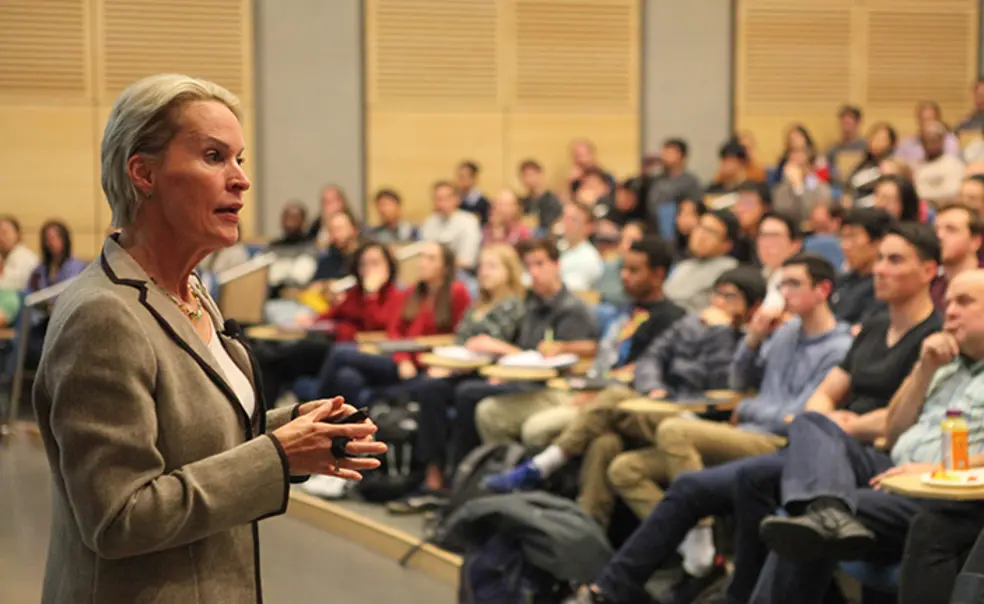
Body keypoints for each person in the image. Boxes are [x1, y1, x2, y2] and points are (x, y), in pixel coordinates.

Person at [32, 74, 387, 604]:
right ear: (143, 173)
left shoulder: (188, 291)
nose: (241, 179)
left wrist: (291, 431)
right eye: (215, 156)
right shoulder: (102, 316)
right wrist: (276, 457)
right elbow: (117, 518)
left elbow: (183, 440)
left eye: (241, 159)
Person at [565, 223, 942, 604]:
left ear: (929, 270)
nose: (878, 269)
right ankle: (612, 587)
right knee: (625, 456)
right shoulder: (868, 329)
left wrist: (839, 423)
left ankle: (732, 586)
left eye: (894, 260)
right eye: (879, 258)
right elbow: (812, 397)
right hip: (815, 443)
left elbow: (908, 417)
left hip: (850, 452)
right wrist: (755, 339)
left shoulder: (931, 338)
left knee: (704, 452)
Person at [746, 271, 984, 604]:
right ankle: (828, 509)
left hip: (943, 489)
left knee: (801, 527)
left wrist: (940, 468)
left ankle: (826, 513)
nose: (950, 311)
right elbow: (895, 429)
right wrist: (923, 369)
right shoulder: (945, 363)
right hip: (892, 467)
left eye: (964, 302)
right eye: (948, 303)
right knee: (812, 422)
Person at [486, 267, 766, 529]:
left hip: (698, 418)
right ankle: (588, 531)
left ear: (753, 306)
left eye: (730, 297)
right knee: (603, 442)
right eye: (717, 294)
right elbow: (651, 358)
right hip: (662, 405)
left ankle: (544, 464)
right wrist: (655, 388)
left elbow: (724, 383)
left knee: (614, 396)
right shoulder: (691, 323)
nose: (718, 302)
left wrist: (721, 331)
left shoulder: (747, 340)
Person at [644, 253, 854, 602]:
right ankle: (687, 552)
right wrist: (754, 336)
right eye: (781, 284)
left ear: (823, 290)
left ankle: (701, 541)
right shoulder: (784, 333)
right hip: (746, 433)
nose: (785, 293)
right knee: (626, 467)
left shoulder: (839, 346)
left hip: (775, 443)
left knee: (673, 432)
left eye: (794, 284)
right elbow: (738, 379)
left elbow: (799, 418)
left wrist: (747, 407)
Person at [475, 236, 686, 453]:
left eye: (633, 271)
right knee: (489, 412)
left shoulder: (672, 318)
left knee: (535, 429)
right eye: (623, 268)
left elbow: (649, 371)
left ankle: (530, 476)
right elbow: (600, 351)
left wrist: (599, 389)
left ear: (658, 274)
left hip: (613, 399)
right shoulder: (626, 311)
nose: (623, 276)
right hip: (580, 385)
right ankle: (499, 473)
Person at [313, 241, 470, 405]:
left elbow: (459, 334)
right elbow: (395, 331)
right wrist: (402, 359)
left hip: (425, 361)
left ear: (445, 267)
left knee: (340, 352)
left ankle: (314, 409)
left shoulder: (456, 292)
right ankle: (346, 420)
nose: (423, 263)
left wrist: (443, 365)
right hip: (400, 358)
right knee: (347, 376)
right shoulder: (412, 292)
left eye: (430, 259)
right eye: (422, 257)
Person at [256, 241, 402, 405]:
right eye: (363, 264)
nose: (368, 269)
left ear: (389, 266)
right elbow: (330, 315)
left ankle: (314, 407)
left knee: (343, 375)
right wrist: (311, 320)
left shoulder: (396, 296)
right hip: (333, 345)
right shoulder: (355, 293)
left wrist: (371, 296)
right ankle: (265, 417)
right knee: (271, 358)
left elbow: (376, 327)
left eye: (375, 263)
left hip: (358, 351)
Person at [664, 209, 740, 313]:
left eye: (711, 232)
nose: (701, 235)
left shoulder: (729, 271)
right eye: (700, 227)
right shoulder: (683, 266)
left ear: (726, 245)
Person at [831, 207, 893, 328]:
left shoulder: (884, 286)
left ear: (878, 241)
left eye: (852, 237)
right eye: (842, 238)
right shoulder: (841, 281)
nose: (845, 246)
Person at [419, 180, 482, 272]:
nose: (441, 203)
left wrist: (439, 264)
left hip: (461, 273)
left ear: (457, 199)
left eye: (445, 199)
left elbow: (467, 261)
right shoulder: (430, 222)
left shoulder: (469, 222)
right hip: (433, 272)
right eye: (437, 199)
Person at [930, 203, 984, 311]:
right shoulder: (931, 285)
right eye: (935, 230)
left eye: (951, 230)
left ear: (975, 242)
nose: (939, 236)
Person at [645, 138, 704, 228]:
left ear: (682, 156)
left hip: (675, 226)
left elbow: (693, 207)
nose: (664, 155)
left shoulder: (690, 181)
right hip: (652, 224)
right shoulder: (655, 179)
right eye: (664, 151)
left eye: (669, 151)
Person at [914, 121, 966, 205]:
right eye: (925, 140)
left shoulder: (953, 163)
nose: (929, 144)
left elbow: (952, 191)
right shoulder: (916, 165)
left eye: (933, 139)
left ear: (942, 140)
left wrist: (924, 197)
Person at [895, 101, 962, 166]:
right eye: (924, 120)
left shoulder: (950, 141)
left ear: (939, 120)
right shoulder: (906, 144)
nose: (927, 124)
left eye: (930, 119)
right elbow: (897, 166)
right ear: (918, 121)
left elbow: (953, 166)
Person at [559, 201, 604, 292]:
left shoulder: (589, 258)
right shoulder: (559, 247)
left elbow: (570, 292)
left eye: (573, 220)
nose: (566, 224)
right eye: (565, 218)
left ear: (589, 227)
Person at [848, 123, 898, 203]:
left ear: (891, 144)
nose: (875, 142)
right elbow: (850, 186)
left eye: (881, 139)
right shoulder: (861, 165)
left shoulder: (890, 168)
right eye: (873, 137)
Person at [731, 182, 771, 264]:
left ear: (765, 207)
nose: (739, 209)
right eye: (738, 202)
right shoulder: (734, 236)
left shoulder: (772, 237)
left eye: (747, 203)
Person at [825, 105, 867, 184]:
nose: (846, 127)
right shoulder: (833, 149)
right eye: (843, 123)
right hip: (837, 186)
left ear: (858, 123)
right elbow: (826, 170)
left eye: (848, 123)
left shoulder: (866, 147)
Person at [518, 159, 563, 231]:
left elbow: (552, 226)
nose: (528, 179)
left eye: (531, 174)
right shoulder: (523, 202)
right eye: (524, 176)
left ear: (540, 174)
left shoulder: (552, 201)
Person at [0, 215, 39, 291]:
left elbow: (6, 286)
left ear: (17, 234)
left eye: (4, 233)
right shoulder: (8, 257)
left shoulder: (23, 257)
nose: (0, 237)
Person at [307, 183, 352, 247]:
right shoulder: (315, 227)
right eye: (324, 202)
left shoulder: (354, 224)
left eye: (330, 202)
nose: (327, 207)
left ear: (341, 203)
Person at [456, 160, 491, 225]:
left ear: (474, 178)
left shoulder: (483, 202)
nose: (460, 180)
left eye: (464, 177)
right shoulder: (454, 200)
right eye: (459, 176)